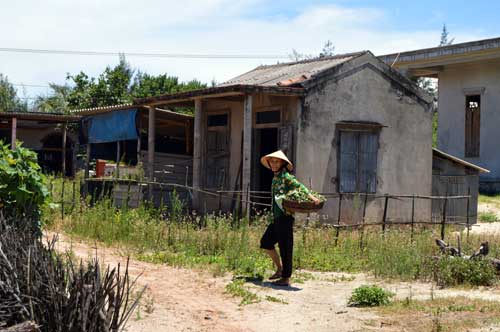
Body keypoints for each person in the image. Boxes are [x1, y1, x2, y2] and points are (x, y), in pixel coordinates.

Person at [259, 150, 320, 286]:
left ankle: (286, 278)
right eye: (272, 161)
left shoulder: (286, 177)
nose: (274, 164)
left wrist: (312, 198)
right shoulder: (275, 178)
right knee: (266, 242)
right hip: (277, 218)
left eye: (277, 161)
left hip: (285, 218)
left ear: (282, 164)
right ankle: (280, 269)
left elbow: (300, 187)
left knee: (285, 247)